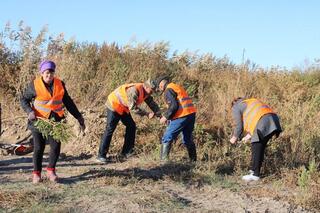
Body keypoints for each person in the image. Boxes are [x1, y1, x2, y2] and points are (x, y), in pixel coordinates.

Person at [20, 60, 85, 184]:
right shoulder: (34, 85)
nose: (49, 76)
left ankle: (51, 170)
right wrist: (29, 111)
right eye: (46, 73)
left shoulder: (60, 84)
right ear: (42, 73)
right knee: (39, 147)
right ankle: (36, 174)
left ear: (54, 73)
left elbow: (68, 102)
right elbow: (23, 99)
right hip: (38, 121)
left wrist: (78, 116)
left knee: (55, 146)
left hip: (56, 121)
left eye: (51, 73)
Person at [97, 79, 161, 163]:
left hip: (123, 107)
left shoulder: (146, 92)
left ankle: (127, 152)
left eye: (153, 90)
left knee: (131, 126)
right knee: (110, 129)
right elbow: (133, 108)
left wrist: (160, 115)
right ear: (145, 86)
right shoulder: (134, 90)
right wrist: (146, 114)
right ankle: (101, 156)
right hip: (114, 104)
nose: (152, 92)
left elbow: (151, 103)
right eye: (151, 90)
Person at [229, 97, 282, 181]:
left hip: (263, 121)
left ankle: (255, 174)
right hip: (274, 120)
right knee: (260, 146)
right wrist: (246, 137)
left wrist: (233, 139)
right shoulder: (250, 102)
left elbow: (239, 127)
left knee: (256, 145)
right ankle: (254, 171)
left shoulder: (236, 107)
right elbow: (255, 120)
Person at [155, 76, 197, 162]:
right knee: (187, 139)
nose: (159, 88)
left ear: (162, 84)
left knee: (167, 137)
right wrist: (168, 116)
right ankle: (193, 161)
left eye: (159, 86)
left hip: (182, 116)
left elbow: (174, 106)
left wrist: (165, 117)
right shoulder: (176, 86)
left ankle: (163, 162)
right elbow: (177, 104)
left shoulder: (168, 90)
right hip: (191, 114)